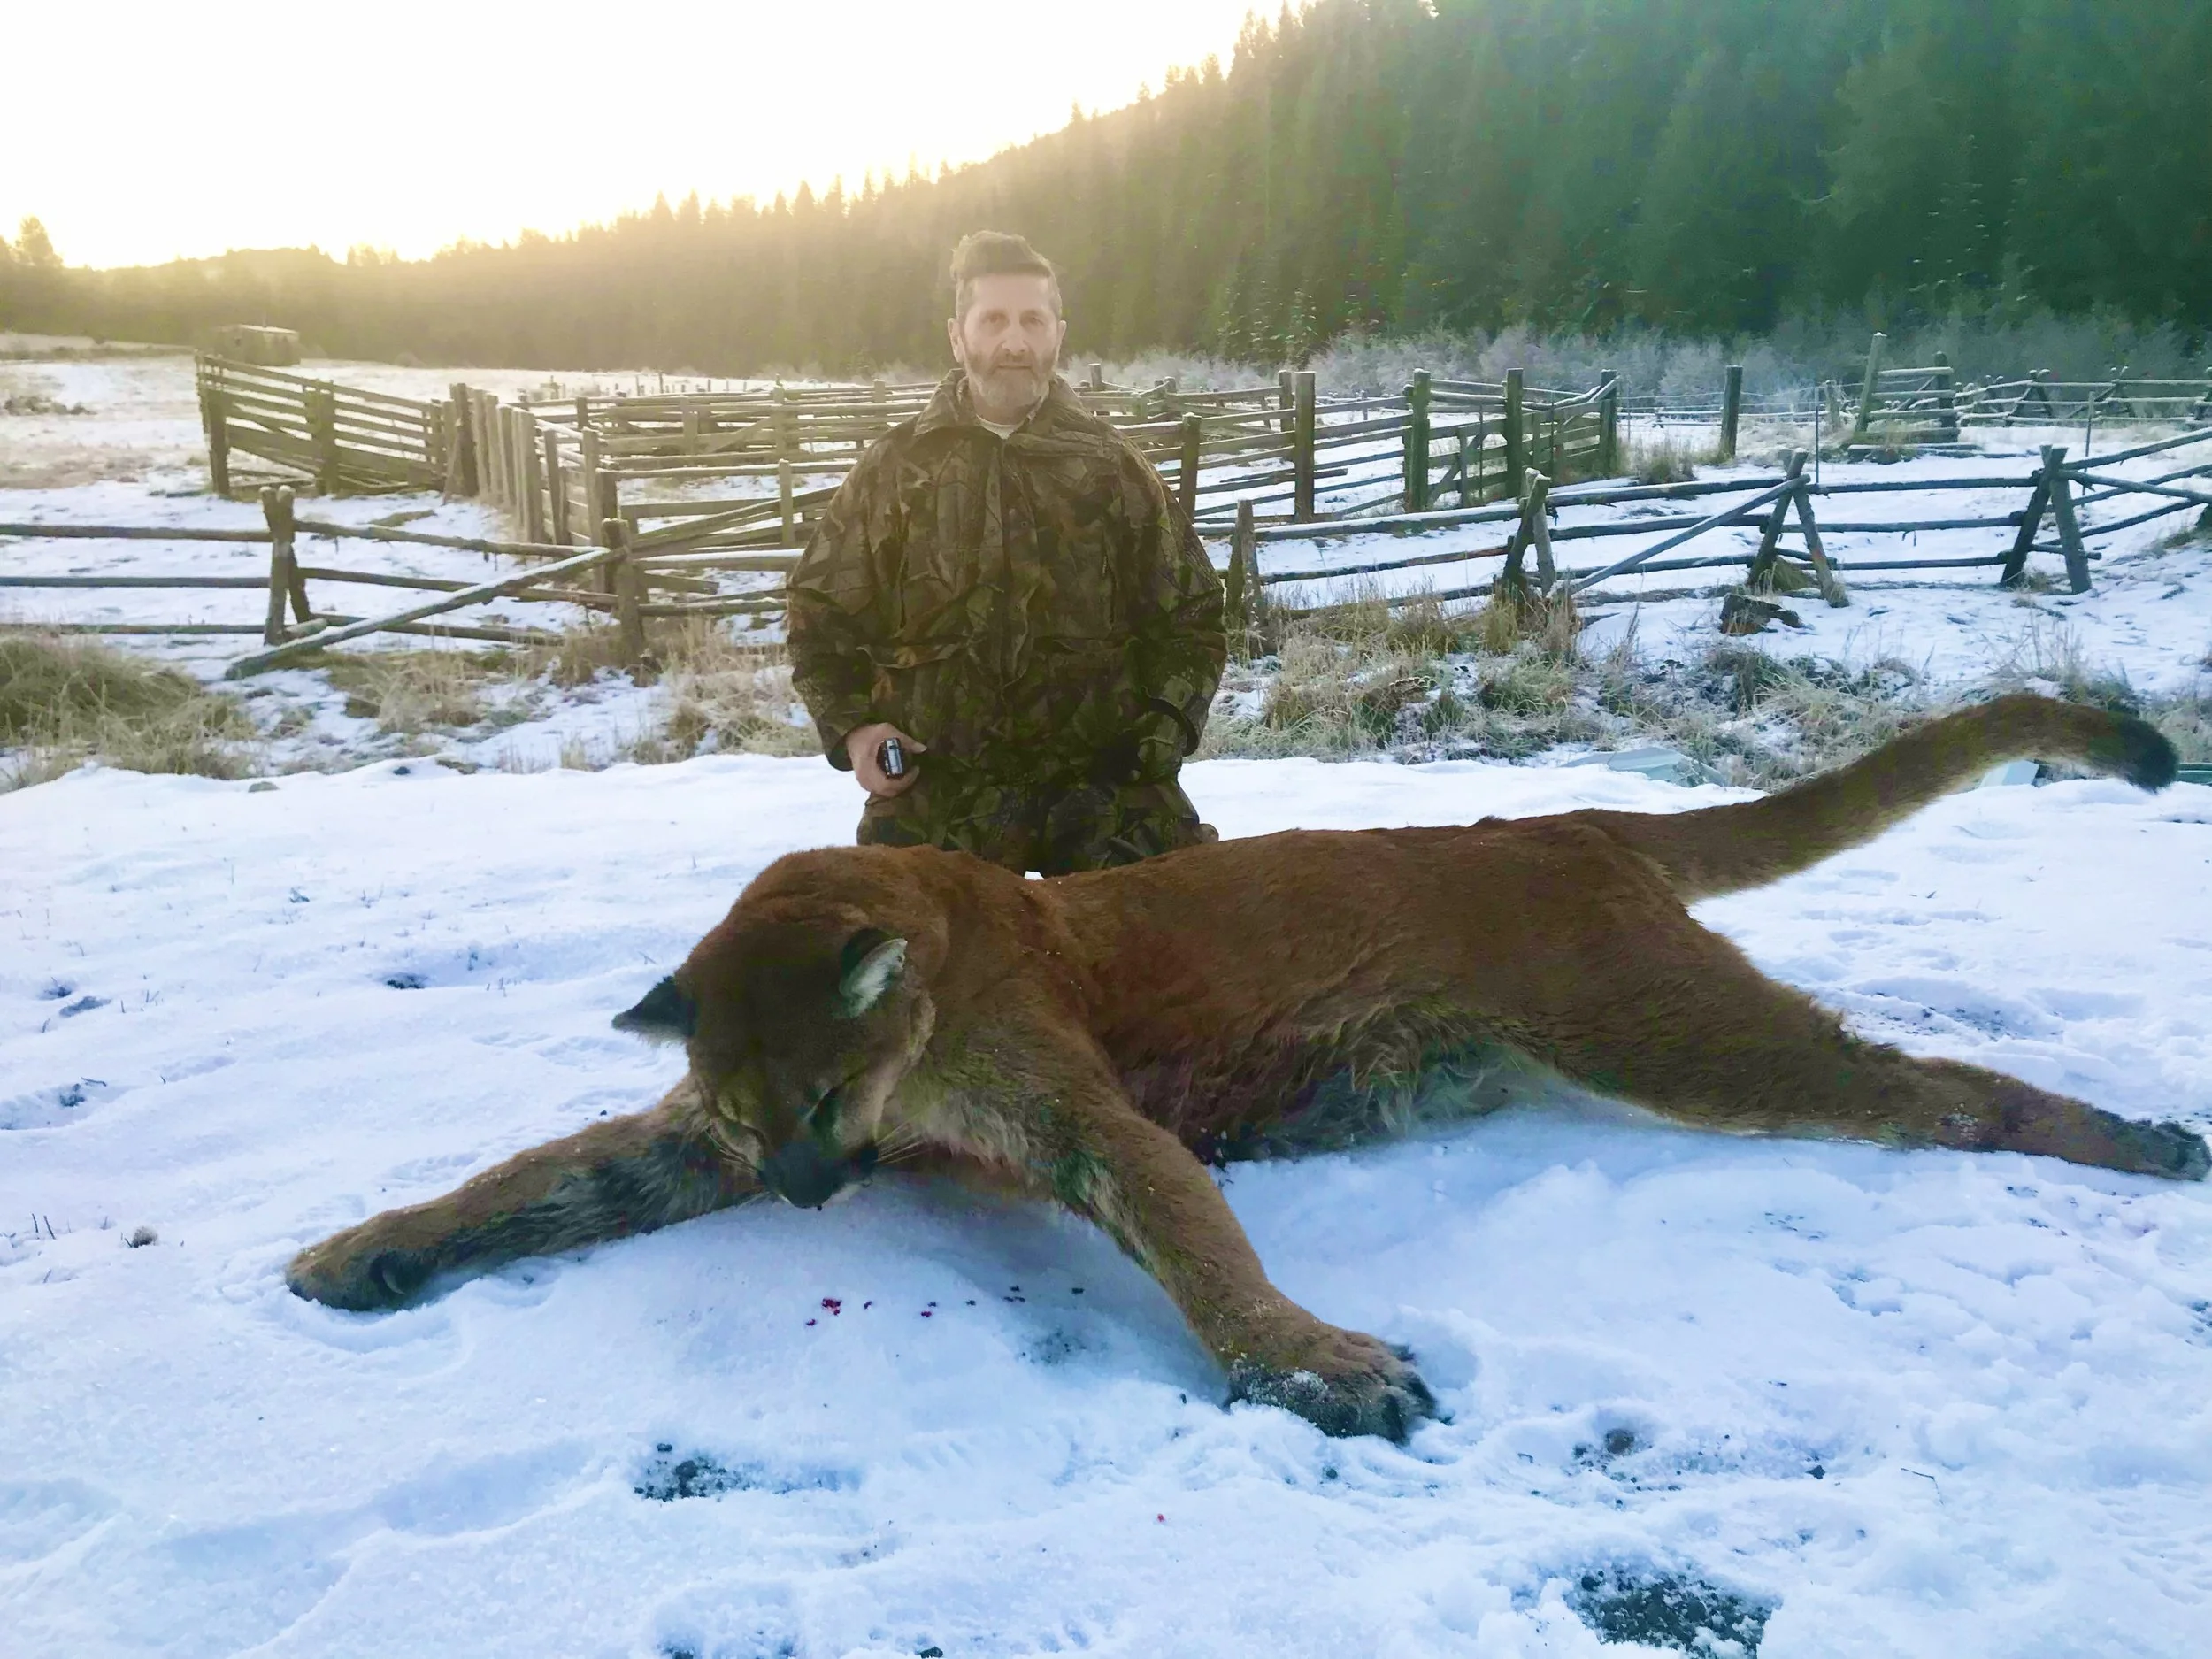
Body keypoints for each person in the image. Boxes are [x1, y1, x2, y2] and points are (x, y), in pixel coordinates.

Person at [787, 231, 1225, 874]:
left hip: (1102, 782)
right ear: (957, 335)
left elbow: (1193, 617)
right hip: (941, 785)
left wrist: (1163, 729)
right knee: (897, 954)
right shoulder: (896, 469)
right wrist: (855, 730)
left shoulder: (1112, 467)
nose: (1014, 342)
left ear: (1058, 333)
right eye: (993, 320)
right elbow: (816, 613)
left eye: (1032, 320)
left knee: (1171, 949)